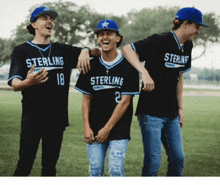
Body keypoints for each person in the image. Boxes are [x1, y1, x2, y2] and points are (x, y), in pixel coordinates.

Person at [8, 6, 100, 176]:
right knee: (24, 166)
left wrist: (85, 51)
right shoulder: (22, 50)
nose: (49, 21)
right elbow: (15, 84)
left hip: (56, 119)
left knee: (49, 168)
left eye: (51, 19)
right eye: (44, 18)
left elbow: (97, 51)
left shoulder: (62, 50)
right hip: (32, 119)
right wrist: (28, 82)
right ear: (33, 24)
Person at [121, 7, 209, 176]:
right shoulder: (160, 40)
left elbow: (179, 77)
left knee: (178, 159)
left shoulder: (188, 46)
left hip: (172, 113)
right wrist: (144, 73)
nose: (198, 32)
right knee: (153, 163)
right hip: (151, 112)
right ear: (185, 24)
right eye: (196, 27)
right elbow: (127, 50)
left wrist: (180, 108)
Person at [75, 19, 139, 176]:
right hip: (95, 127)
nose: (105, 37)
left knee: (116, 170)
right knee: (95, 170)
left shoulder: (129, 66)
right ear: (97, 39)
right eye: (101, 34)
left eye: (110, 33)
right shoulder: (90, 65)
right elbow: (86, 100)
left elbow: (125, 101)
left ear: (118, 38)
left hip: (119, 129)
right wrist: (86, 127)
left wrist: (107, 128)